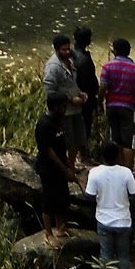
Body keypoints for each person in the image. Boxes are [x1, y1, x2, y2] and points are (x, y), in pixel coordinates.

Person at [85, 139, 135, 269]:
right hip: (123, 221)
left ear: (102, 156)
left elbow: (89, 195)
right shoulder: (126, 173)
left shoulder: (94, 173)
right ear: (117, 156)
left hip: (104, 220)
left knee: (106, 254)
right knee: (124, 256)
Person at [35, 94, 79, 243]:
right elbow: (48, 151)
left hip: (60, 166)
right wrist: (64, 169)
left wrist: (68, 164)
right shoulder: (44, 124)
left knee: (62, 197)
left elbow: (60, 146)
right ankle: (48, 234)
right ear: (54, 107)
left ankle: (61, 227)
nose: (65, 110)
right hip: (48, 168)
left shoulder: (57, 121)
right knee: (49, 200)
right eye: (63, 107)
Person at [43, 33, 88, 170]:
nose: (68, 52)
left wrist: (80, 93)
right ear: (56, 49)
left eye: (69, 49)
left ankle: (72, 166)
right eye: (64, 50)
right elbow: (50, 91)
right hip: (64, 111)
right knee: (68, 141)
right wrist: (69, 99)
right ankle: (67, 168)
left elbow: (71, 83)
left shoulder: (69, 61)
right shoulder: (53, 67)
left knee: (78, 139)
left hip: (76, 108)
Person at [101, 38, 135, 169]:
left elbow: (103, 87)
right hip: (129, 107)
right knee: (128, 141)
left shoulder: (107, 67)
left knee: (115, 138)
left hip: (111, 106)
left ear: (114, 51)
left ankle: (115, 167)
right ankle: (127, 170)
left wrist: (100, 102)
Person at [72, 26, 100, 146]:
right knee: (84, 129)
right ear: (88, 40)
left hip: (75, 96)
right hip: (85, 98)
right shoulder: (83, 59)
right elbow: (88, 81)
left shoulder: (71, 54)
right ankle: (82, 155)